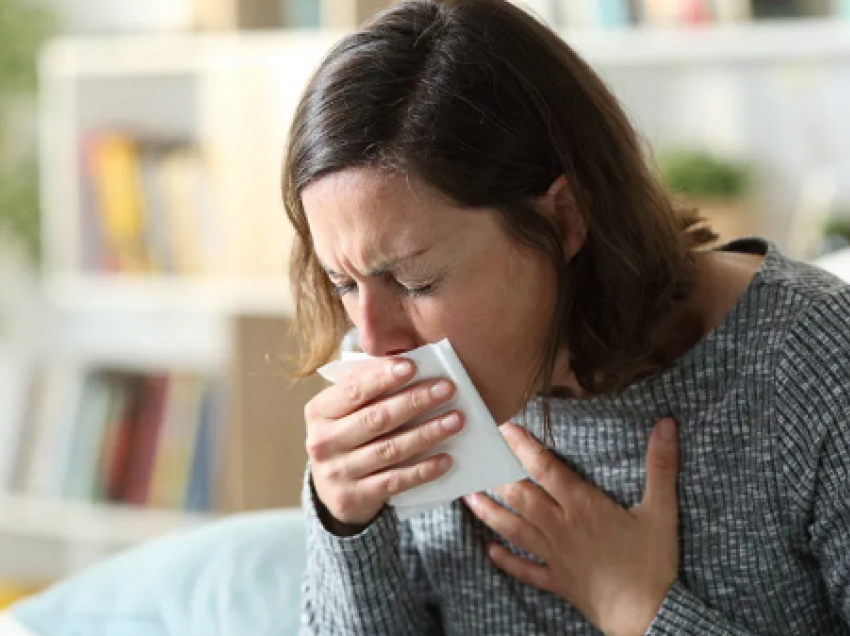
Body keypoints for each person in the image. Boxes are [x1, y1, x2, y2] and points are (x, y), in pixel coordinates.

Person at [284, 0, 850, 633]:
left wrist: (639, 611)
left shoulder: (813, 361)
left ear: (564, 219)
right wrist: (346, 524)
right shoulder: (386, 391)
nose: (375, 342)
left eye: (416, 280)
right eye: (343, 283)